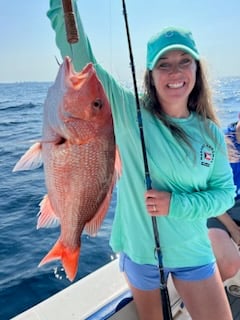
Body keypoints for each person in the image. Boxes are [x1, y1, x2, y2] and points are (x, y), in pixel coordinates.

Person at [47, 1, 236, 319]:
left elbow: (224, 195)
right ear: (150, 72)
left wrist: (174, 204)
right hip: (141, 254)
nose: (175, 72)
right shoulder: (127, 109)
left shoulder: (211, 134)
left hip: (193, 251)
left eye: (184, 61)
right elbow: (79, 57)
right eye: (164, 64)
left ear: (196, 69)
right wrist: (63, 5)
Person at [208, 117, 240, 282]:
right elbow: (209, 195)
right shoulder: (221, 144)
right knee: (228, 264)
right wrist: (233, 229)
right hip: (215, 210)